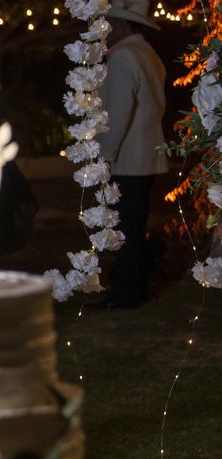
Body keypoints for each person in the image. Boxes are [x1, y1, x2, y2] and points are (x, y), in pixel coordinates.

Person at [98, 0, 169, 308]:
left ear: (125, 25)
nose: (106, 29)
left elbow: (118, 111)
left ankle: (126, 292)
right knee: (132, 225)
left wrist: (106, 155)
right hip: (147, 155)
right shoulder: (148, 54)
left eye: (112, 23)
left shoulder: (123, 56)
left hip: (127, 157)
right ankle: (133, 287)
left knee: (125, 229)